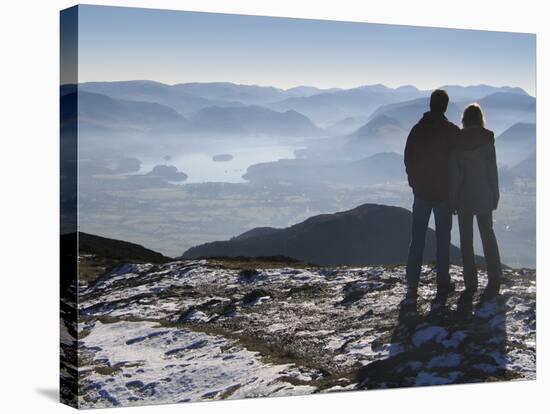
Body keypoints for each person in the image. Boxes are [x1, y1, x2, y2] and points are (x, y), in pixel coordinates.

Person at [404, 89, 460, 299]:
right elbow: (459, 159)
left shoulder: (418, 130)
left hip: (421, 193)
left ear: (430, 105)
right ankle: (443, 281)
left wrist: (414, 183)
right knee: (443, 239)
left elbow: (408, 158)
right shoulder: (451, 131)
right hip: (443, 194)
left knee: (417, 239)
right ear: (445, 106)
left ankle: (412, 284)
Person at [449, 104, 502, 298]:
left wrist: (452, 200)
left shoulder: (457, 142)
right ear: (480, 118)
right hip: (484, 194)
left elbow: (455, 176)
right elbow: (492, 171)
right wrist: (495, 195)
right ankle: (495, 278)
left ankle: (470, 282)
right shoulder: (488, 138)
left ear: (464, 119)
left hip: (464, 197)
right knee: (488, 235)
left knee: (466, 240)